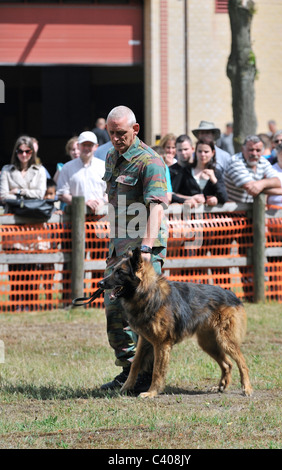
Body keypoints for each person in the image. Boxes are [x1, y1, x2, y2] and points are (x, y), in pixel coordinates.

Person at [100, 105, 168, 393]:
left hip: (142, 251)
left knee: (146, 314)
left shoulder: (150, 162)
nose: (116, 138)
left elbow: (157, 207)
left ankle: (147, 375)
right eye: (112, 133)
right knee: (114, 309)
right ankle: (129, 370)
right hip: (119, 248)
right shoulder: (112, 157)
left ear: (135, 130)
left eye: (122, 133)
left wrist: (147, 248)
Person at [56, 131, 107, 214]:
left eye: (90, 145)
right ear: (78, 146)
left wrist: (102, 201)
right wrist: (83, 203)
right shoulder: (67, 167)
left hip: (101, 220)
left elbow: (110, 193)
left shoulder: (104, 167)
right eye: (84, 145)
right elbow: (62, 194)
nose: (86, 148)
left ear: (96, 147)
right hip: (74, 219)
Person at [224, 135, 282, 203]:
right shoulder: (235, 161)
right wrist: (280, 191)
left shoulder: (263, 161)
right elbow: (250, 188)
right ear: (243, 149)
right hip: (231, 211)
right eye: (251, 150)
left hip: (252, 210)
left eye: (258, 150)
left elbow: (277, 181)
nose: (254, 153)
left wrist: (262, 183)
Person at [171, 138, 228, 207]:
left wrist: (214, 181)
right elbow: (172, 194)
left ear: (212, 153)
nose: (202, 154)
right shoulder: (185, 171)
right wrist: (188, 199)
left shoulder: (216, 173)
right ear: (195, 152)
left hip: (209, 216)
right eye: (200, 151)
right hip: (188, 214)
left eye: (206, 151)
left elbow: (224, 198)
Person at [0, 135, 46, 204]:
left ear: (32, 152)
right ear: (16, 152)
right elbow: (3, 197)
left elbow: (40, 195)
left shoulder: (40, 170)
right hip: (12, 212)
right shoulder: (6, 170)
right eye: (20, 151)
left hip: (33, 211)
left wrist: (19, 192)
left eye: (27, 151)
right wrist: (29, 196)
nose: (24, 154)